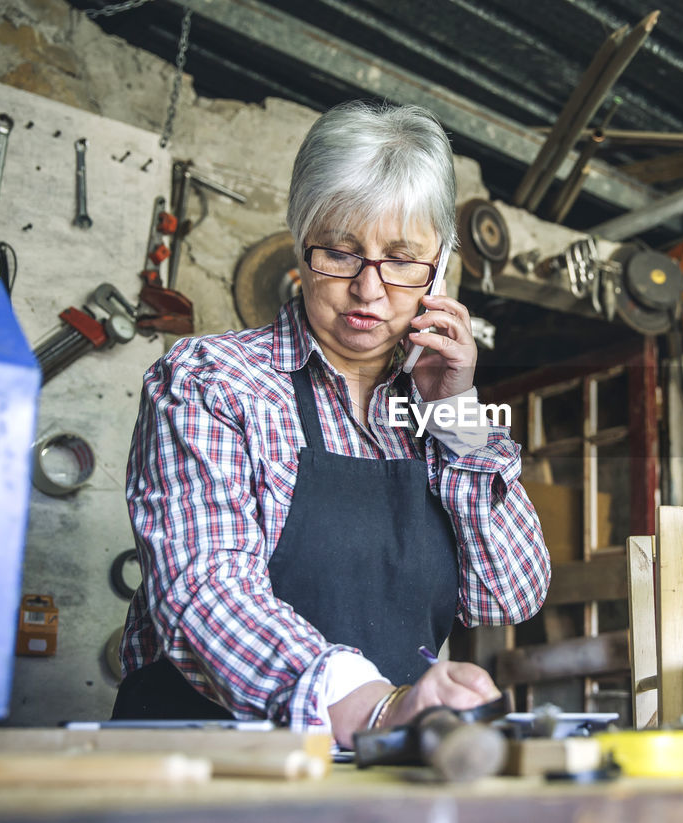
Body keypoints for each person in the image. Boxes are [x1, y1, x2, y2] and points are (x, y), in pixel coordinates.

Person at [113, 101, 550, 747]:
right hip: (203, 765)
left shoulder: (436, 407)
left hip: (374, 772)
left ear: (443, 264)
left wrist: (457, 417)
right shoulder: (213, 381)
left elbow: (507, 597)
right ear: (300, 239)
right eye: (341, 253)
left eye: (403, 259)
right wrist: (370, 705)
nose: (369, 290)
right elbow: (206, 590)